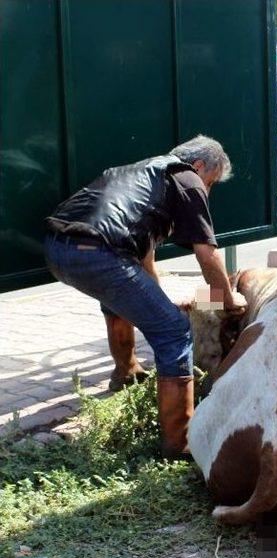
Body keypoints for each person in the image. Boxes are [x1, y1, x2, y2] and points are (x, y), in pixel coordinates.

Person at [44, 135, 247, 458]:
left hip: (58, 248)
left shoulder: (142, 172)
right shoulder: (188, 179)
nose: (207, 191)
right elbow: (207, 255)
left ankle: (126, 373)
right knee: (173, 331)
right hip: (100, 254)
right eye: (212, 182)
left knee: (121, 303)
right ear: (198, 166)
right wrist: (226, 298)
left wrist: (163, 301)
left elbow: (143, 259)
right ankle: (179, 441)